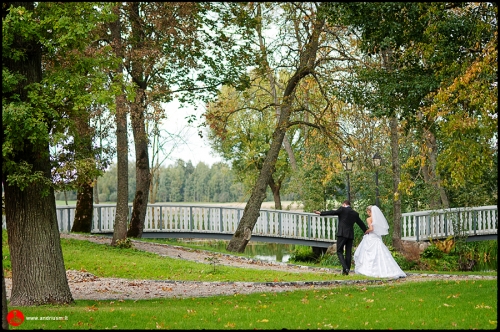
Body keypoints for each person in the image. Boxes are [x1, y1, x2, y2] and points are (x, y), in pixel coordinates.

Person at [314, 200, 367, 275]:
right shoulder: (355, 214)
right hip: (350, 235)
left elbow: (333, 212)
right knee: (348, 253)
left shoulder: (342, 209)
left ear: (344, 204)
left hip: (342, 233)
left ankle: (345, 268)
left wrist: (321, 213)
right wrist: (365, 231)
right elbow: (361, 223)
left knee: (339, 251)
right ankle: (346, 271)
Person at [353, 205, 406, 278]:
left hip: (371, 237)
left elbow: (371, 229)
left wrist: (366, 231)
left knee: (368, 253)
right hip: (377, 238)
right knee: (381, 254)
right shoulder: (378, 219)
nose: (367, 213)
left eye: (368, 212)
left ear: (369, 211)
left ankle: (369, 270)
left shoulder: (369, 219)